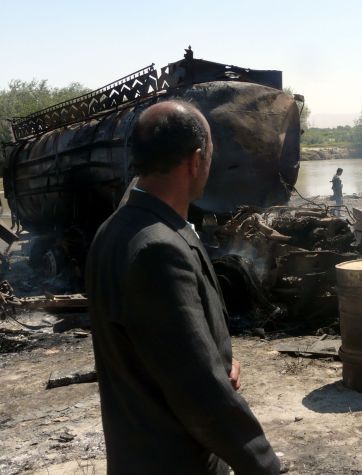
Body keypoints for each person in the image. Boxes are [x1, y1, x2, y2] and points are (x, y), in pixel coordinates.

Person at [85, 101, 280, 474]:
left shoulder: (114, 231)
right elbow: (199, 393)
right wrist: (263, 465)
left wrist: (222, 359)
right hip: (175, 460)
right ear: (195, 161)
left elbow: (159, 348)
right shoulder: (158, 249)